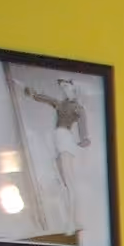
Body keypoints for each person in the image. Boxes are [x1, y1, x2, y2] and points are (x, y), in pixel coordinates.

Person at [22, 77, 89, 234]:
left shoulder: (77, 108)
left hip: (65, 141)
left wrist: (82, 142)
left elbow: (84, 133)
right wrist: (33, 94)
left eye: (66, 86)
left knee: (69, 184)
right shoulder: (61, 104)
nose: (64, 90)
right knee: (63, 184)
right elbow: (47, 99)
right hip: (58, 141)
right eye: (63, 87)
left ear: (73, 88)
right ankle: (68, 220)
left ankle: (71, 222)